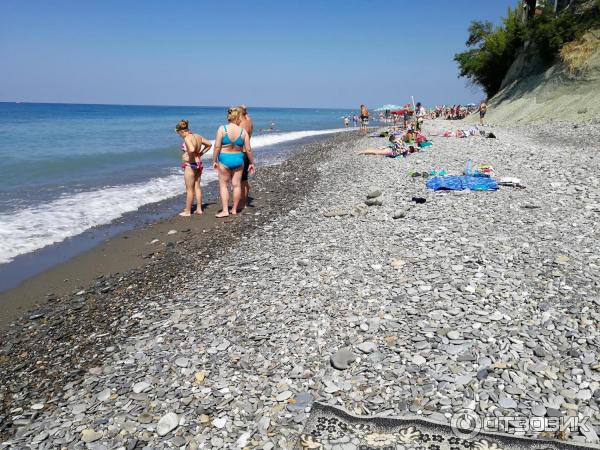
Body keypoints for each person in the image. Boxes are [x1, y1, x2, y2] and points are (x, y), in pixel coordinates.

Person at [213, 107, 255, 218]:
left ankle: (225, 210)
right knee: (236, 186)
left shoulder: (222, 129)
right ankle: (235, 209)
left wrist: (214, 160)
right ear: (237, 118)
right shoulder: (243, 131)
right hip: (238, 159)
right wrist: (251, 163)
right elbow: (248, 149)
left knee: (224, 186)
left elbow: (217, 146)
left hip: (224, 159)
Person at [175, 119, 212, 217]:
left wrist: (189, 153)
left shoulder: (187, 138)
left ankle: (187, 211)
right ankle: (199, 209)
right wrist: (201, 153)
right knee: (197, 187)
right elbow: (209, 144)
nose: (180, 136)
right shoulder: (197, 136)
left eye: (179, 134)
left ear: (182, 131)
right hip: (199, 163)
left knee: (189, 189)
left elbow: (191, 149)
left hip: (190, 165)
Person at [238, 105, 254, 210]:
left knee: (241, 180)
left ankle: (243, 203)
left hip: (242, 152)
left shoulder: (241, 124)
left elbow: (238, 140)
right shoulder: (249, 121)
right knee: (243, 179)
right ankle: (244, 200)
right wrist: (244, 110)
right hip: (247, 152)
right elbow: (247, 116)